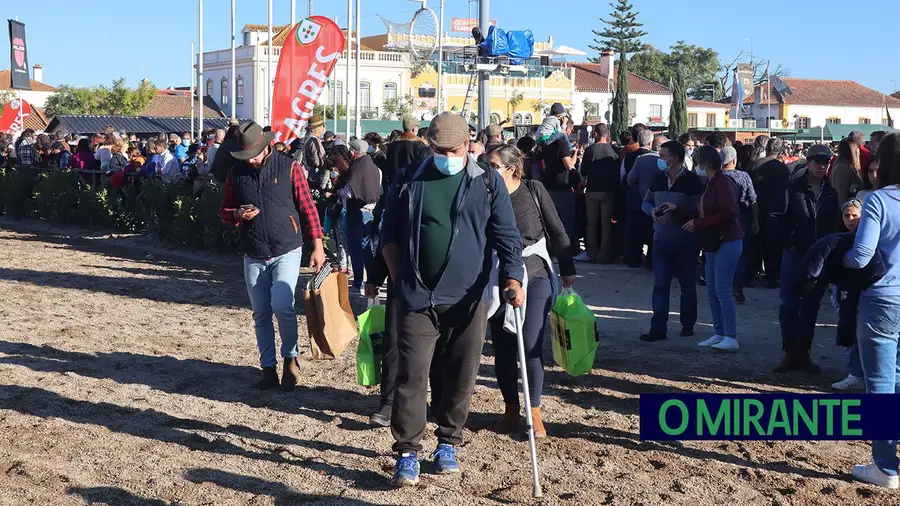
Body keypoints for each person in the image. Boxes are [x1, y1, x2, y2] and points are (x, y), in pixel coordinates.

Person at [379, 112, 524, 487]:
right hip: (417, 298)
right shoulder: (408, 179)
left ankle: (447, 442)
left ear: (468, 146)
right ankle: (408, 451)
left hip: (467, 299)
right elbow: (388, 233)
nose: (447, 157)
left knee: (461, 374)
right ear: (429, 145)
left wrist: (513, 277)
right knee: (412, 374)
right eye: (440, 150)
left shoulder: (487, 181)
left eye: (454, 150)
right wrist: (399, 280)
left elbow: (507, 237)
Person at [219, 121, 326, 391]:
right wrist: (236, 214)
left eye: (252, 154)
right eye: (245, 155)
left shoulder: (290, 167)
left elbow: (308, 208)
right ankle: (268, 368)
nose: (249, 159)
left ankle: (290, 357)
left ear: (265, 146)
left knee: (282, 305)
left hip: (286, 247)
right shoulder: (236, 173)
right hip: (253, 250)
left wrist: (318, 245)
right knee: (261, 312)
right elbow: (224, 210)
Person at [486, 144, 575, 438]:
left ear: (512, 169)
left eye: (493, 166)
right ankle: (511, 409)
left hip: (536, 274)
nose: (488, 171)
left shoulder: (533, 190)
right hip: (499, 277)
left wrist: (568, 267)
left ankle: (534, 412)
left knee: (530, 343)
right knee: (503, 348)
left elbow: (557, 229)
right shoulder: (485, 195)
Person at [844, 132, 900, 489]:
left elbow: (861, 256)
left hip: (882, 299)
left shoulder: (879, 200)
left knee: (879, 384)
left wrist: (841, 259)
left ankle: (886, 467)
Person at [773, 143, 840, 373]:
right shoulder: (793, 188)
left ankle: (804, 352)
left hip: (819, 257)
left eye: (826, 162)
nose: (822, 167)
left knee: (811, 305)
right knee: (789, 304)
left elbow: (833, 223)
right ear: (808, 162)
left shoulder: (830, 193)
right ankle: (789, 352)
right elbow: (777, 217)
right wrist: (789, 241)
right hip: (795, 253)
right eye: (818, 162)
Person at [639, 140, 704, 342]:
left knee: (687, 285)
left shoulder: (693, 181)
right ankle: (658, 328)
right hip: (660, 239)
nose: (659, 160)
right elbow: (646, 202)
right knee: (660, 285)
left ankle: (688, 324)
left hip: (685, 241)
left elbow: (699, 211)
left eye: (662, 156)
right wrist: (652, 211)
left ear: (674, 158)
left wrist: (677, 211)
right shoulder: (658, 178)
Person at [686, 146, 744, 351]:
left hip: (727, 240)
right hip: (714, 241)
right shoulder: (710, 182)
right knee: (712, 289)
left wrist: (698, 223)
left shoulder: (723, 182)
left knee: (722, 289)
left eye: (698, 162)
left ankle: (730, 336)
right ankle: (719, 333)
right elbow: (702, 211)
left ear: (706, 164)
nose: (696, 166)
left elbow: (728, 212)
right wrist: (680, 212)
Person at [342, 139, 384, 290]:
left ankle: (358, 282)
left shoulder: (356, 168)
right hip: (370, 212)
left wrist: (339, 192)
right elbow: (381, 190)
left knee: (355, 249)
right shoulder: (376, 168)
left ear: (353, 152)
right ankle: (371, 281)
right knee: (367, 249)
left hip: (356, 212)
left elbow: (349, 193)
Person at [720, 146, 759, 303]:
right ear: (734, 160)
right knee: (741, 253)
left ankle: (723, 286)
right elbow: (753, 199)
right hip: (741, 217)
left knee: (721, 252)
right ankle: (737, 286)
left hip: (719, 219)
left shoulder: (716, 177)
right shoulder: (743, 176)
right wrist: (755, 221)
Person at [753, 137, 792, 289]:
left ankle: (766, 273)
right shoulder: (782, 168)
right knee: (774, 245)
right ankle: (774, 275)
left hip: (759, 207)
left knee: (763, 243)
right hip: (777, 210)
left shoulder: (757, 164)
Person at [579, 123, 619, 263]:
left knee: (591, 223)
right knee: (606, 223)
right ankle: (604, 253)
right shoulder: (613, 151)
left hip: (592, 190)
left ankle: (591, 253)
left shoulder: (590, 150)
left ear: (595, 133)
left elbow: (584, 171)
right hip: (608, 190)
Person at [539, 117, 579, 252]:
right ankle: (566, 250)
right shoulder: (562, 143)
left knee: (551, 221)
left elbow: (544, 166)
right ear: (566, 128)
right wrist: (575, 154)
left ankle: (552, 249)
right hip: (562, 187)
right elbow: (569, 165)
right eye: (571, 129)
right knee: (566, 221)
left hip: (549, 187)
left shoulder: (546, 144)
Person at [624, 131, 661, 268]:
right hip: (657, 201)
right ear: (651, 142)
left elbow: (629, 179)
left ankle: (634, 259)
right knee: (653, 233)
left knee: (636, 232)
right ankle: (651, 261)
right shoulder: (661, 160)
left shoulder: (640, 159)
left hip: (640, 200)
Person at [386, 117, 431, 185]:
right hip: (412, 184)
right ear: (413, 129)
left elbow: (389, 167)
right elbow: (424, 165)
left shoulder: (392, 145)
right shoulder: (419, 144)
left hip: (394, 183)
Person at [832, 137, 864, 205]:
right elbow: (841, 195)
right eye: (857, 148)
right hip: (846, 208)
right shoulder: (842, 168)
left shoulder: (850, 166)